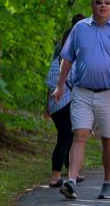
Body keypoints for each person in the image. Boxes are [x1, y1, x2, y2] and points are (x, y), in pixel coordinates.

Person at [54, 0, 110, 200]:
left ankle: (107, 183)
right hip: (82, 91)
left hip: (109, 94)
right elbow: (67, 58)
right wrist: (60, 85)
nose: (103, 6)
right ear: (92, 4)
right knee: (79, 135)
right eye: (99, 2)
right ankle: (72, 181)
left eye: (107, 2)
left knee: (108, 139)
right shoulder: (80, 28)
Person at [44, 14, 85, 188]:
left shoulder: (56, 60)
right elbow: (79, 82)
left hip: (55, 105)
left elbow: (49, 85)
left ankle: (71, 173)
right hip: (66, 102)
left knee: (67, 138)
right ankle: (55, 176)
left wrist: (47, 106)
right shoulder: (72, 61)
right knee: (65, 138)